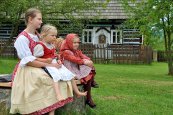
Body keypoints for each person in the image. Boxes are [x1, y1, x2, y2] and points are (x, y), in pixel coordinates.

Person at [10, 8, 73, 115]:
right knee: (47, 80)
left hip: (41, 65)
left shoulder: (37, 35)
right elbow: (29, 62)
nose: (41, 21)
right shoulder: (22, 39)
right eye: (39, 19)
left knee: (60, 77)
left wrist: (54, 62)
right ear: (30, 19)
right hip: (27, 69)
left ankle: (50, 111)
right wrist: (50, 64)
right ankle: (36, 109)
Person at [33, 24, 87, 100]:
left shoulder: (51, 45)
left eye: (55, 35)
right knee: (56, 76)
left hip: (54, 63)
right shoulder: (40, 46)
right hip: (47, 65)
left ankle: (77, 92)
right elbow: (34, 58)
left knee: (70, 74)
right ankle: (58, 95)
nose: (55, 37)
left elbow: (54, 55)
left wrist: (58, 60)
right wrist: (45, 60)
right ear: (44, 35)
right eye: (52, 35)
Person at [60, 34, 97, 108]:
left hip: (75, 68)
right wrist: (84, 62)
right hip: (69, 71)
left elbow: (82, 56)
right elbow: (75, 59)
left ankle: (89, 95)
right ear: (69, 42)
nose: (77, 44)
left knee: (89, 68)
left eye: (78, 42)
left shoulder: (76, 51)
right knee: (88, 72)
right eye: (74, 42)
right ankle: (89, 98)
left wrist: (87, 59)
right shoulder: (66, 52)